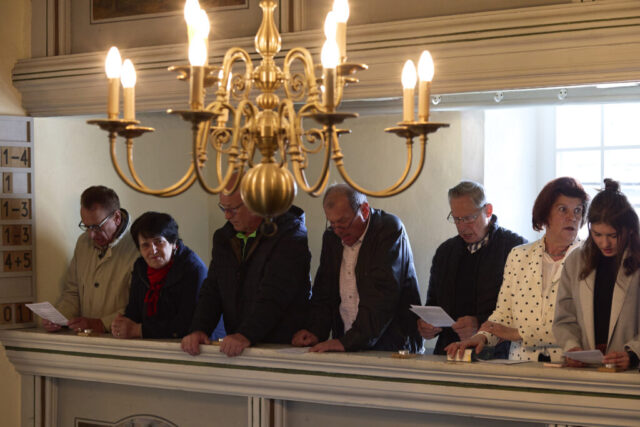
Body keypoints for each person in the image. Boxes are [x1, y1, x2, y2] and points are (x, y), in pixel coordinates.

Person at [446, 177, 588, 361]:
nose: (572, 217)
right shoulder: (518, 255)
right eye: (563, 209)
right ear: (545, 214)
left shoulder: (588, 259)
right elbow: (503, 315)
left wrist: (519, 334)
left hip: (569, 365)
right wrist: (481, 337)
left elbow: (583, 326)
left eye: (578, 210)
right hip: (520, 367)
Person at [181, 175, 311, 357]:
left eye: (233, 209)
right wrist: (199, 329)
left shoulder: (290, 234)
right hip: (240, 345)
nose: (227, 216)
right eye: (223, 208)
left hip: (282, 347)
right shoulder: (223, 237)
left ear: (257, 203)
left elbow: (276, 293)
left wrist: (246, 334)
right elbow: (212, 290)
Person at [291, 184, 422, 353]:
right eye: (332, 223)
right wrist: (315, 331)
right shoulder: (331, 237)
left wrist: (347, 342)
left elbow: (381, 296)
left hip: (393, 348)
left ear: (364, 210)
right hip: (348, 343)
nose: (338, 231)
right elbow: (325, 291)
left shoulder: (388, 229)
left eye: (343, 222)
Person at [420, 181, 527, 355]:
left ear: (488, 211)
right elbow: (434, 302)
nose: (462, 227)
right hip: (449, 352)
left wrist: (480, 324)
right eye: (457, 219)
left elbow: (523, 313)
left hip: (497, 354)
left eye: (469, 218)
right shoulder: (445, 252)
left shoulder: (516, 249)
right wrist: (427, 325)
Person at [554, 179, 640, 370]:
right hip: (588, 370)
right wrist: (572, 348)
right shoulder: (576, 260)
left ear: (629, 229)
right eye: (597, 234)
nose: (604, 243)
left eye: (613, 236)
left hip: (632, 372)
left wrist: (634, 354)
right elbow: (564, 318)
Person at [44, 186, 138, 333]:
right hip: (85, 339)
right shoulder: (83, 243)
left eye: (97, 227)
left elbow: (139, 304)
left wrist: (101, 324)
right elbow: (72, 292)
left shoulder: (140, 245)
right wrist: (59, 318)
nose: (91, 235)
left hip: (122, 339)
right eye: (86, 227)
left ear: (117, 218)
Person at [110, 212, 208, 339]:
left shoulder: (193, 269)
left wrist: (139, 330)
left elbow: (187, 324)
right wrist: (122, 324)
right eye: (145, 245)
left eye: (159, 242)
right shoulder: (140, 267)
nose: (153, 250)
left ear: (173, 243)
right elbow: (134, 312)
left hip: (195, 345)